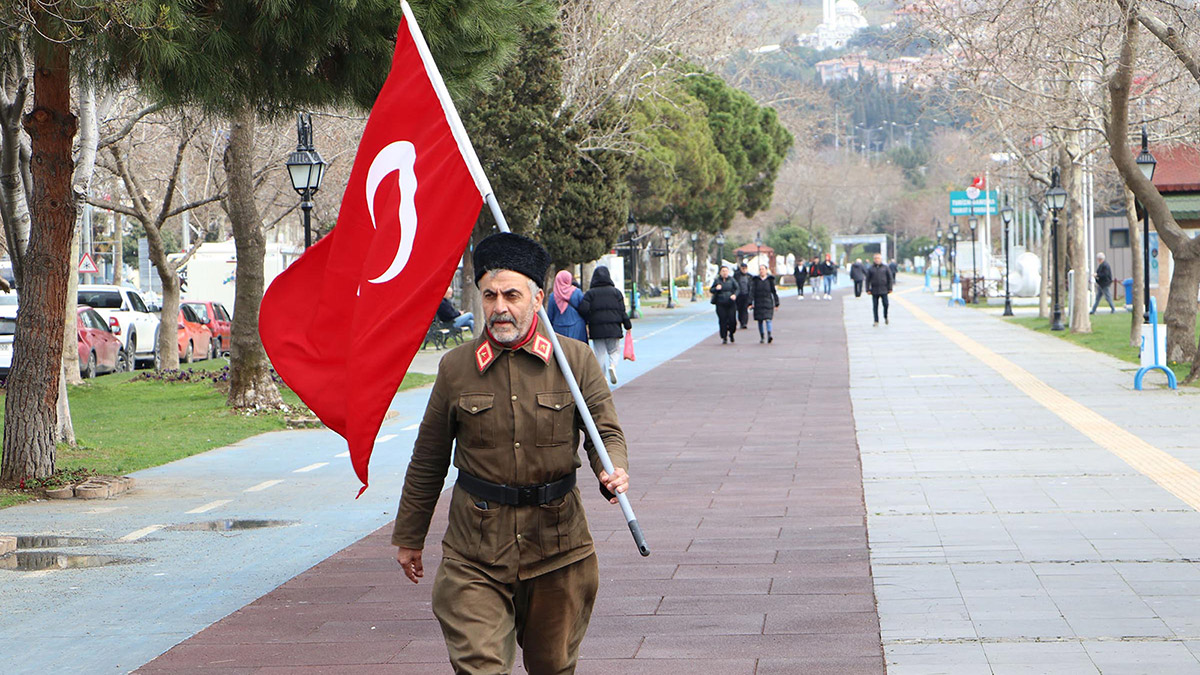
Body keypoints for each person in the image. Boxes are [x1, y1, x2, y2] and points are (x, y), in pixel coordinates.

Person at [392, 232, 630, 675]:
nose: (500, 307)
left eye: (511, 295)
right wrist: (410, 535)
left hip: (559, 549)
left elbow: (605, 431)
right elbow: (428, 457)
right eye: (490, 295)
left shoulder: (575, 361)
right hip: (475, 550)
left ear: (537, 298)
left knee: (552, 667)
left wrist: (611, 468)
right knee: (480, 667)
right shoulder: (456, 368)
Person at [578, 266, 632, 385]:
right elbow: (622, 311)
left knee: (600, 353)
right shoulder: (616, 292)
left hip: (596, 329)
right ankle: (612, 365)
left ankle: (602, 377)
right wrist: (627, 325)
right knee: (614, 350)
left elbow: (583, 309)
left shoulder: (590, 294)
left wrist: (588, 320)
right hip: (614, 328)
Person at [547, 269, 588, 342]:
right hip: (577, 327)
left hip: (558, 329)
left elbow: (550, 316)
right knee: (577, 350)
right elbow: (584, 309)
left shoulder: (552, 296)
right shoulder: (577, 292)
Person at [748, 263, 780, 343]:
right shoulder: (755, 280)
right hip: (758, 302)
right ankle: (762, 336)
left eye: (763, 269)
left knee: (768, 319)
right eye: (760, 269)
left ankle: (769, 335)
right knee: (760, 320)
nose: (761, 271)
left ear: (766, 270)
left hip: (768, 302)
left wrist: (776, 303)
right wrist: (750, 302)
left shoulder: (770, 280)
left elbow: (774, 292)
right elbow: (752, 292)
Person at [710, 265, 739, 344]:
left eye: (726, 271)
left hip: (730, 303)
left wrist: (735, 295)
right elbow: (711, 290)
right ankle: (724, 336)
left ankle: (732, 333)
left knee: (732, 320)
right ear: (720, 272)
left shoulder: (732, 280)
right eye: (723, 271)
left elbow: (737, 288)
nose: (725, 273)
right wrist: (716, 288)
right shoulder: (717, 281)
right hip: (720, 303)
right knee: (723, 320)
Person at [866, 253, 894, 326]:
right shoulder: (871, 268)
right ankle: (876, 320)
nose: (877, 260)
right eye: (876, 258)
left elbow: (890, 278)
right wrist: (867, 289)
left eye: (878, 258)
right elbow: (867, 280)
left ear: (881, 259)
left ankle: (885, 316)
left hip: (884, 289)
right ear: (874, 259)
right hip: (874, 290)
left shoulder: (885, 268)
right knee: (875, 306)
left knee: (886, 304)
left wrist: (890, 288)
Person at [734, 262, 752, 328]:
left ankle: (744, 323)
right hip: (739, 296)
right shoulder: (736, 276)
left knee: (745, 309)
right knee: (739, 309)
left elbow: (751, 286)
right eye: (743, 268)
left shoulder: (749, 276)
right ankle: (741, 321)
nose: (744, 270)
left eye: (745, 268)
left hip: (746, 295)